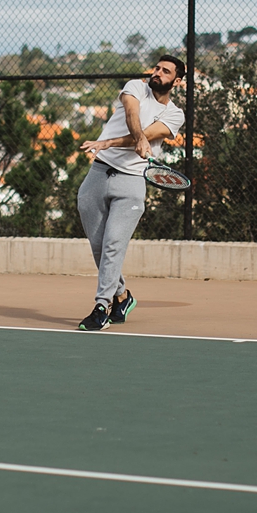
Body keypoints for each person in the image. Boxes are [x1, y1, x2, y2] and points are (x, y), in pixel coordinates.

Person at [75, 56, 187, 330]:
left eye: (165, 71)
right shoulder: (135, 87)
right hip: (97, 176)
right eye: (157, 68)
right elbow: (132, 115)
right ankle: (123, 296)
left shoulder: (175, 114)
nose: (157, 73)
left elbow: (149, 133)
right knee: (100, 247)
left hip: (132, 182)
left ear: (178, 81)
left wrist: (111, 141)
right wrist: (138, 139)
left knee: (113, 244)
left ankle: (102, 306)